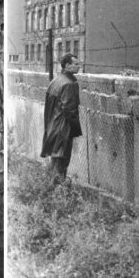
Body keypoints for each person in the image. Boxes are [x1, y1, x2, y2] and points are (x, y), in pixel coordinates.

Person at [41, 54, 82, 184]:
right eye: (75, 64)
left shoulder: (56, 80)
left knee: (55, 161)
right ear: (67, 65)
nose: (78, 66)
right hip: (63, 129)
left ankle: (47, 191)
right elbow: (70, 110)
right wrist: (75, 130)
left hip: (53, 127)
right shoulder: (70, 83)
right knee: (62, 162)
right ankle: (57, 193)